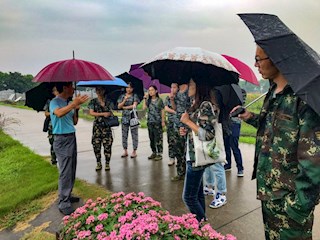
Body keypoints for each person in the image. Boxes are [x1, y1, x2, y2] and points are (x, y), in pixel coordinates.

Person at [234, 45, 320, 239]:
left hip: (290, 203)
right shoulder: (273, 92)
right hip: (269, 194)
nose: (255, 65)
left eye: (259, 59)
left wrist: (298, 205)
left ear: (276, 58)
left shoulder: (303, 98)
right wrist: (249, 116)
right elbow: (274, 130)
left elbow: (314, 158)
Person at [180, 78, 220, 222]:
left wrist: (188, 122)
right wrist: (187, 129)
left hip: (197, 157)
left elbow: (208, 134)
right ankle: (202, 224)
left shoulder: (205, 106)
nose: (187, 87)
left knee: (188, 197)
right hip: (194, 154)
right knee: (197, 194)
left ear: (199, 86)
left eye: (190, 84)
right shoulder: (195, 105)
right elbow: (197, 129)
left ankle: (202, 226)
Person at [50, 82, 89, 215]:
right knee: (65, 171)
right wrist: (73, 104)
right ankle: (63, 201)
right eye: (71, 87)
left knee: (72, 168)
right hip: (61, 139)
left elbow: (74, 122)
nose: (73, 89)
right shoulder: (55, 102)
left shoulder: (68, 102)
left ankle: (67, 194)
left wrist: (76, 109)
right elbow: (59, 114)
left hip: (71, 136)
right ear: (65, 88)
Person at [88, 87, 114, 171]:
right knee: (96, 146)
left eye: (101, 90)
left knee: (108, 146)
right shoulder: (93, 102)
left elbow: (111, 111)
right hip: (97, 127)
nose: (99, 92)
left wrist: (109, 113)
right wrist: (103, 114)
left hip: (106, 127)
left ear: (104, 90)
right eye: (97, 90)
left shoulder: (109, 101)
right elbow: (91, 113)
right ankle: (98, 163)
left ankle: (107, 163)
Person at [223, 88, 247, 177]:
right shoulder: (225, 91)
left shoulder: (242, 92)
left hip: (235, 122)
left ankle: (240, 168)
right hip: (225, 122)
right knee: (226, 145)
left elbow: (241, 106)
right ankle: (228, 164)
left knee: (234, 145)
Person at [171, 83, 191, 181]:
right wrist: (172, 98)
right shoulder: (178, 91)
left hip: (186, 123)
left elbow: (192, 107)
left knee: (186, 150)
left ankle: (188, 173)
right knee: (177, 149)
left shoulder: (190, 90)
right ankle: (180, 172)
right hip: (177, 122)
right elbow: (175, 108)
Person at [117, 82, 140, 158]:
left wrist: (125, 107)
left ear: (132, 88)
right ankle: (125, 150)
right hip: (124, 118)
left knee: (134, 134)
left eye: (130, 87)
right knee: (124, 135)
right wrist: (124, 100)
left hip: (132, 118)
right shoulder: (122, 96)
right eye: (127, 87)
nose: (128, 89)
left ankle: (134, 151)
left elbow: (134, 105)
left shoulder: (135, 96)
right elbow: (119, 106)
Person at [143, 85, 165, 161]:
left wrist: (163, 121)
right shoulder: (148, 100)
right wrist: (145, 99)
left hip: (157, 122)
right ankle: (154, 152)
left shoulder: (159, 100)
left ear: (156, 91)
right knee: (151, 138)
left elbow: (162, 110)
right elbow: (144, 108)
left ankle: (159, 153)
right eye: (149, 90)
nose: (150, 92)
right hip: (150, 122)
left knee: (158, 138)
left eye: (152, 90)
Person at [164, 83, 179, 166]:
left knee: (178, 141)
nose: (172, 89)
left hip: (178, 122)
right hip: (170, 121)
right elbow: (166, 108)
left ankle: (179, 158)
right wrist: (174, 112)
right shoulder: (168, 97)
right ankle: (171, 158)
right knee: (170, 140)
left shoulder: (179, 97)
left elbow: (177, 108)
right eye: (171, 87)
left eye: (174, 87)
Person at [44, 86, 59, 165]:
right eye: (54, 91)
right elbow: (46, 113)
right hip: (52, 125)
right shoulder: (50, 101)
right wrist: (55, 112)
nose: (56, 92)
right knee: (53, 142)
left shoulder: (64, 101)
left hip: (60, 124)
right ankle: (53, 159)